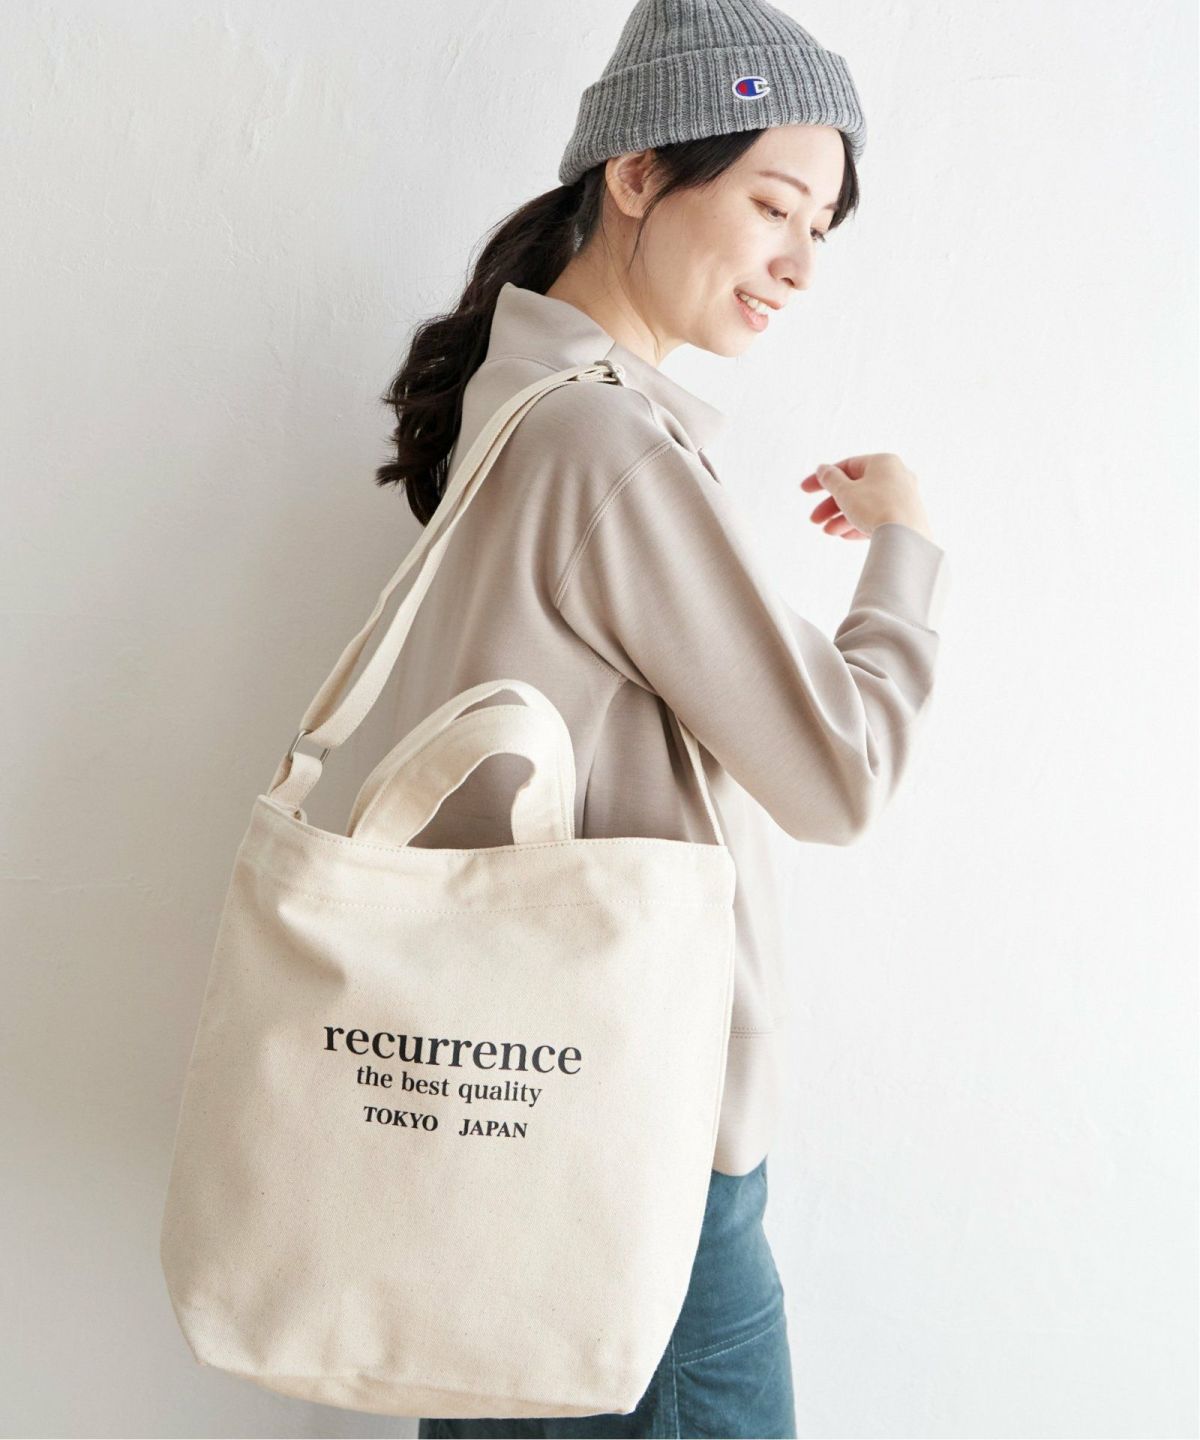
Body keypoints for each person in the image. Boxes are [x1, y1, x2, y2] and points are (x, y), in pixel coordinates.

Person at [375, 2, 949, 1435]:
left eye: (821, 225)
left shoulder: (519, 404)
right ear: (637, 173)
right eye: (772, 204)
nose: (801, 262)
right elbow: (841, 774)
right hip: (636, 1156)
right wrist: (906, 550)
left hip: (507, 1127)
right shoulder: (605, 443)